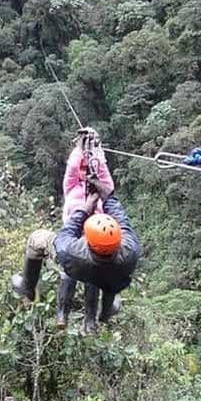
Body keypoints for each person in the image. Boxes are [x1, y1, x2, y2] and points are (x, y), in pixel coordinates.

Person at [11, 128, 142, 333]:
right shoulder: (130, 250)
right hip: (111, 272)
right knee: (107, 281)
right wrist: (95, 151)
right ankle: (105, 312)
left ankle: (28, 285)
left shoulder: (72, 250)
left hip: (79, 261)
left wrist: (84, 209)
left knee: (38, 241)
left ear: (88, 241)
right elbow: (113, 199)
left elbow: (67, 232)